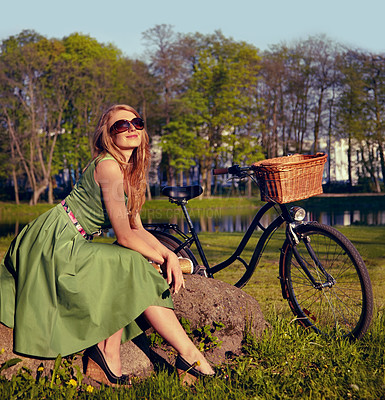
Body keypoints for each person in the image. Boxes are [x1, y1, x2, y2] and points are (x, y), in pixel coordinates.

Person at [0, 104, 214, 386]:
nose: (131, 129)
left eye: (136, 123)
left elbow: (136, 228)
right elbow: (125, 236)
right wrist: (167, 260)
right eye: (120, 126)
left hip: (72, 238)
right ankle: (187, 357)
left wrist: (168, 253)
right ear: (107, 136)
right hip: (54, 240)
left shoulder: (127, 173)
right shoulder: (109, 167)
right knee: (130, 260)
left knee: (128, 262)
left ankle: (109, 356)